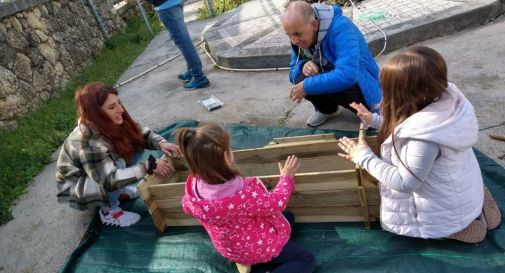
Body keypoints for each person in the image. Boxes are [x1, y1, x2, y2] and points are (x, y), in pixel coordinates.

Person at [337, 46, 501, 243]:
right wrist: (374, 120)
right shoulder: (445, 102)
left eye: (388, 89)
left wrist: (363, 157)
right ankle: (475, 203)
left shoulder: (423, 141)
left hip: (441, 210)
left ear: (406, 95)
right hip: (460, 182)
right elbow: (406, 127)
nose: (384, 94)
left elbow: (405, 183)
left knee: (441, 221)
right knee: (460, 187)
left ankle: (459, 227)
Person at [175, 123, 315, 273]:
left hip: (229, 247)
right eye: (229, 148)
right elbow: (276, 204)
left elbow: (186, 206)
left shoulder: (193, 187)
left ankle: (246, 261)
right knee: (306, 259)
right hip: (255, 246)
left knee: (288, 218)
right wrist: (286, 179)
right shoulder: (241, 193)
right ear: (226, 157)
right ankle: (255, 259)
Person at [56, 83, 181, 227]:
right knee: (118, 164)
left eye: (118, 103)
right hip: (78, 187)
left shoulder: (107, 121)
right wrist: (147, 167)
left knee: (131, 147)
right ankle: (109, 212)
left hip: (98, 172)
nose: (120, 109)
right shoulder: (88, 142)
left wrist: (161, 143)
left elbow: (137, 133)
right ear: (96, 114)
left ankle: (118, 192)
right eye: (112, 107)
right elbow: (108, 179)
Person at [282, 1, 382, 127]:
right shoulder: (297, 38)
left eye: (297, 34)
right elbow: (292, 73)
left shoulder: (342, 28)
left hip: (360, 83)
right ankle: (328, 110)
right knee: (300, 78)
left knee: (311, 83)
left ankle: (368, 113)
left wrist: (307, 86)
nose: (294, 40)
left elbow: (347, 75)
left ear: (314, 25)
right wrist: (303, 66)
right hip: (334, 75)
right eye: (289, 35)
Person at [145, 0, 210, 90]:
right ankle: (192, 72)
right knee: (182, 41)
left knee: (184, 43)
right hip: (172, 3)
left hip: (167, 6)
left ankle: (199, 77)